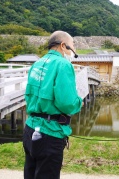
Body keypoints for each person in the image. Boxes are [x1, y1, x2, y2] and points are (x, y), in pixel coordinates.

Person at [23, 31, 83, 179]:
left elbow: (28, 94)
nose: (72, 53)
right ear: (63, 46)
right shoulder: (63, 65)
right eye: (72, 49)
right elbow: (67, 103)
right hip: (50, 131)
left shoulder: (37, 63)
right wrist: (79, 102)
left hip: (30, 128)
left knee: (30, 173)